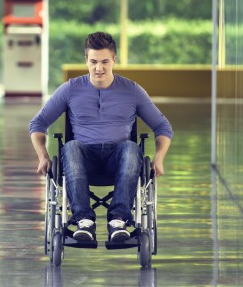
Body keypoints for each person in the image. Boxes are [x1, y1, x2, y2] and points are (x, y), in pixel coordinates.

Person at [29, 32, 173, 242]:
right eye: (94, 61)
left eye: (105, 61)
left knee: (132, 148)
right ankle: (83, 220)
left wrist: (159, 159)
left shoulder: (132, 91)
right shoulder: (70, 89)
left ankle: (119, 219)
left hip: (120, 162)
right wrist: (42, 156)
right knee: (70, 147)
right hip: (82, 161)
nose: (99, 68)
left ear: (114, 60)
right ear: (86, 60)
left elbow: (162, 127)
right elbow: (38, 123)